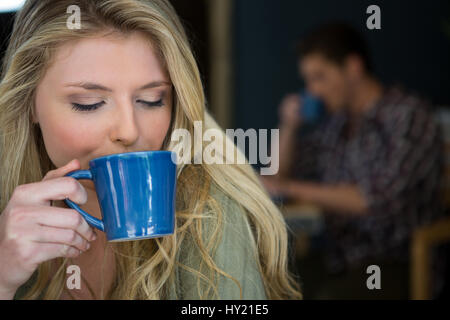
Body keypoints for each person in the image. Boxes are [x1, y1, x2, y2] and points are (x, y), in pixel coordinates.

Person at [0, 0, 301, 300]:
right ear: (29, 104)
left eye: (152, 99)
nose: (129, 131)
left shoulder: (209, 216)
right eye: (88, 104)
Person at [261, 22, 447, 299]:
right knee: (266, 282)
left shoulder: (407, 116)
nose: (312, 91)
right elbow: (278, 174)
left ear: (353, 67)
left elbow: (377, 199)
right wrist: (289, 126)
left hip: (398, 263)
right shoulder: (336, 125)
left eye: (319, 77)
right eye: (308, 80)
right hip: (340, 259)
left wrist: (291, 188)